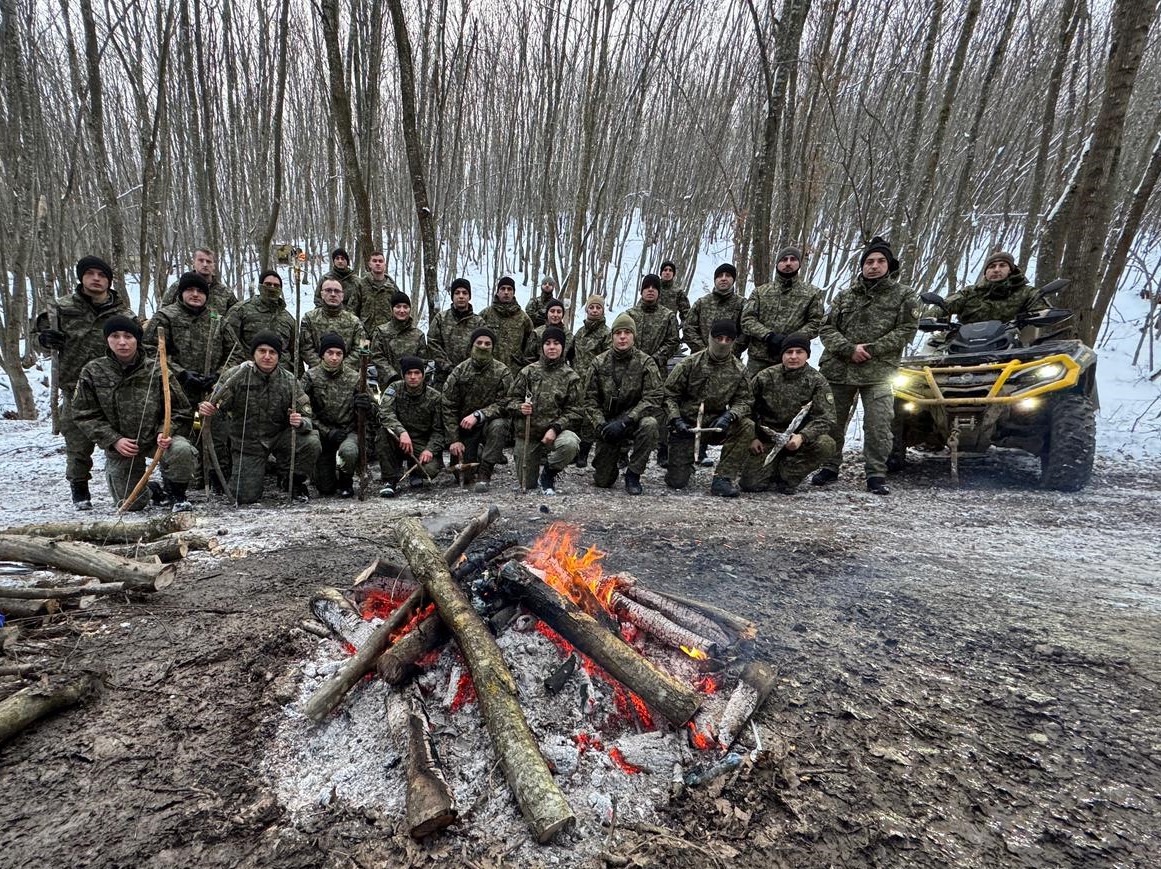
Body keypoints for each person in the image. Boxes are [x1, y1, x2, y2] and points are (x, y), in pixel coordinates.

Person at [814, 237, 920, 495]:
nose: (874, 266)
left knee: (879, 424)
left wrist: (871, 349)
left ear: (889, 265)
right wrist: (849, 349)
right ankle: (829, 466)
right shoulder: (844, 296)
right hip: (840, 369)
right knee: (832, 422)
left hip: (879, 371)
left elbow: (907, 329)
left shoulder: (904, 295)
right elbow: (826, 328)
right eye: (869, 261)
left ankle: (875, 473)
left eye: (880, 261)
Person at [35, 255, 133, 510]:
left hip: (114, 389)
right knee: (78, 444)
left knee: (119, 441)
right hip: (75, 387)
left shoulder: (122, 311)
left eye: (102, 275)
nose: (96, 279)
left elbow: (136, 344)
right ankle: (80, 489)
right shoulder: (61, 308)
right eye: (90, 274)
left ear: (109, 280)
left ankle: (129, 485)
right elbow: (38, 335)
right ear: (81, 277)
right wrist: (46, 339)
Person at [72, 316, 196, 512]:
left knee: (181, 450)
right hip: (122, 445)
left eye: (128, 336)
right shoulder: (92, 371)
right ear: (107, 340)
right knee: (132, 504)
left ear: (137, 340)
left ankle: (177, 495)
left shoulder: (158, 369)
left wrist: (165, 431)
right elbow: (83, 413)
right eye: (115, 336)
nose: (122, 342)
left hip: (156, 440)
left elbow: (181, 409)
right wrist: (114, 440)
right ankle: (153, 490)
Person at [198, 332, 321, 504]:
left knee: (311, 441)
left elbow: (307, 415)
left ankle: (294, 480)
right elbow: (216, 403)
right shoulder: (236, 375)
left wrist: (300, 422)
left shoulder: (289, 381)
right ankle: (262, 469)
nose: (267, 356)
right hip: (248, 444)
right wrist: (208, 408)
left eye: (272, 352)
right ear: (254, 353)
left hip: (278, 439)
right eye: (262, 351)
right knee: (244, 497)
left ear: (279, 356)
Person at [144, 271, 231, 492]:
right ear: (181, 292)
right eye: (190, 290)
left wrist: (218, 375)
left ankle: (216, 478)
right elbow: (150, 351)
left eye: (200, 291)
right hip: (176, 390)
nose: (195, 295)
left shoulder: (216, 320)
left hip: (210, 390)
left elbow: (235, 353)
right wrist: (180, 373)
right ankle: (181, 479)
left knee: (213, 432)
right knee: (183, 434)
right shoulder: (166, 317)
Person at [738, 334, 836, 494]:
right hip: (767, 440)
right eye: (789, 352)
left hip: (797, 442)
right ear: (782, 354)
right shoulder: (765, 377)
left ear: (807, 355)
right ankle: (770, 468)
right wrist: (752, 437)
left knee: (826, 443)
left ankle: (788, 475)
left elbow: (826, 418)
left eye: (799, 352)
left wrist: (802, 436)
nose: (794, 357)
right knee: (750, 485)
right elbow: (745, 407)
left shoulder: (817, 381)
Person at [664, 320, 752, 497]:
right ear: (710, 338)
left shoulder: (738, 370)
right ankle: (684, 462)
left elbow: (745, 400)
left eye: (728, 339)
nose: (723, 343)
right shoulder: (689, 364)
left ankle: (723, 478)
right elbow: (669, 395)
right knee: (677, 482)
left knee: (747, 426)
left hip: (716, 425)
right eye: (719, 338)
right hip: (686, 426)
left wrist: (730, 415)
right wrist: (676, 419)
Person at [583, 313, 663, 495]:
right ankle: (612, 458)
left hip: (632, 422)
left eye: (627, 332)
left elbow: (654, 397)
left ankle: (633, 474)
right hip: (608, 424)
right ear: (612, 336)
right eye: (618, 333)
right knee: (603, 481)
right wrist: (601, 424)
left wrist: (627, 420)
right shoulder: (598, 362)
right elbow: (589, 400)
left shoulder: (646, 362)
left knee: (650, 424)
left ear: (633, 336)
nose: (622, 337)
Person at [509, 327, 584, 495]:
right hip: (528, 434)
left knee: (570, 444)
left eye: (556, 343)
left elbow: (576, 411)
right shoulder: (528, 372)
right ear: (542, 347)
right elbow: (508, 401)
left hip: (554, 434)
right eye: (548, 343)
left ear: (563, 347)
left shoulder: (571, 377)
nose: (552, 347)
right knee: (527, 485)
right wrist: (519, 408)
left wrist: (555, 428)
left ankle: (549, 474)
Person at [441, 327, 513, 493]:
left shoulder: (502, 372)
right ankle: (477, 455)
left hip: (488, 424)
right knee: (464, 475)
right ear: (472, 345)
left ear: (493, 347)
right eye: (479, 343)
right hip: (465, 428)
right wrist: (454, 439)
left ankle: (485, 472)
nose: (483, 346)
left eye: (487, 343)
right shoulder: (459, 372)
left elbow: (506, 403)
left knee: (499, 425)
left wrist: (479, 415)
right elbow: (448, 406)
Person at [741, 245, 825, 378]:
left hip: (793, 358)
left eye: (793, 259)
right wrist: (769, 336)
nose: (788, 263)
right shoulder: (760, 292)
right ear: (778, 263)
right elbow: (747, 320)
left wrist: (791, 340)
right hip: (759, 358)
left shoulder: (812, 293)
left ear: (799, 263)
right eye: (784, 259)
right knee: (750, 396)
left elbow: (816, 323)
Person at [301, 333, 366, 498]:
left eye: (339, 354)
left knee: (349, 451)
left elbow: (374, 409)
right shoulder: (311, 377)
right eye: (330, 353)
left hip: (347, 431)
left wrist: (365, 405)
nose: (334, 358)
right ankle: (320, 475)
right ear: (322, 354)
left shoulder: (355, 377)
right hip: (322, 434)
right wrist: (326, 431)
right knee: (325, 488)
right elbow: (303, 410)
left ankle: (346, 480)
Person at [627, 273, 680, 467]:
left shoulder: (667, 315)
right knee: (629, 406)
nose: (650, 290)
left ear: (658, 292)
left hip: (658, 370)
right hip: (632, 370)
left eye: (654, 287)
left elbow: (674, 340)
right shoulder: (630, 314)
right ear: (641, 291)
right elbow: (622, 339)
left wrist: (656, 358)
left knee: (660, 409)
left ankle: (662, 449)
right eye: (647, 287)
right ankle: (624, 449)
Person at [378, 356, 445, 498]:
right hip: (398, 439)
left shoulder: (434, 397)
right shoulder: (394, 389)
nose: (413, 377)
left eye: (417, 373)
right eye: (409, 373)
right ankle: (390, 480)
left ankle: (414, 472)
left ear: (423, 374)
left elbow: (439, 430)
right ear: (403, 375)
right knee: (383, 433)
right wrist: (401, 432)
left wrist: (430, 450)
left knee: (430, 470)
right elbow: (385, 413)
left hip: (421, 442)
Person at [221, 269, 297, 373]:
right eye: (268, 284)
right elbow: (229, 347)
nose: (272, 288)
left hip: (281, 378)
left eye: (276, 286)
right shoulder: (240, 311)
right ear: (260, 286)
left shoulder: (288, 319)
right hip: (248, 376)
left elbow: (295, 353)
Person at [567, 294, 612, 468]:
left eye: (598, 308)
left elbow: (608, 360)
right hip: (577, 380)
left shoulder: (606, 334)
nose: (594, 310)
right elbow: (572, 353)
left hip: (595, 382)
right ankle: (575, 450)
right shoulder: (580, 331)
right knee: (576, 415)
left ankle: (584, 453)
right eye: (591, 307)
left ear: (602, 310)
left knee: (589, 418)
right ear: (586, 310)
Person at [941, 251, 1044, 324]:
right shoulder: (969, 292)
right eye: (992, 266)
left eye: (1002, 265)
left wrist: (1043, 315)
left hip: (1011, 345)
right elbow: (945, 305)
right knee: (931, 348)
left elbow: (1041, 310)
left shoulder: (1027, 292)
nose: (996, 270)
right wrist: (931, 316)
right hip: (962, 342)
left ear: (1011, 270)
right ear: (986, 272)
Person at [428, 277, 485, 386]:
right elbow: (433, 344)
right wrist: (448, 367)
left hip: (470, 379)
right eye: (457, 293)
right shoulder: (441, 318)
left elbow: (482, 348)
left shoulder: (479, 322)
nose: (461, 296)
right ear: (452, 296)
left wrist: (467, 369)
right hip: (443, 379)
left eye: (465, 293)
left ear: (469, 296)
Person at [301, 277, 366, 371]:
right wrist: (322, 368)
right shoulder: (309, 318)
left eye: (337, 291)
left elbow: (361, 348)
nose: (333, 294)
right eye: (328, 290)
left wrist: (342, 368)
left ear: (342, 296)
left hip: (348, 376)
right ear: (322, 294)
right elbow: (305, 348)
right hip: (317, 375)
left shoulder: (354, 321)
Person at [684, 263, 748, 357]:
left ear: (733, 279)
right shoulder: (702, 303)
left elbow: (746, 332)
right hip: (700, 358)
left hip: (730, 361)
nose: (723, 278)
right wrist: (703, 350)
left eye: (728, 275)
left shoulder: (742, 304)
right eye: (720, 276)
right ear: (715, 280)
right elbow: (688, 328)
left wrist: (728, 351)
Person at [370, 290, 428, 385]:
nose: (402, 311)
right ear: (392, 309)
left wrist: (411, 377)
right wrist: (392, 376)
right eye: (398, 307)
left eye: (405, 307)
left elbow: (423, 361)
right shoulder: (381, 331)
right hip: (388, 383)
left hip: (413, 384)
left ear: (410, 309)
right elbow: (377, 357)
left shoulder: (418, 335)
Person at [481, 276, 533, 375]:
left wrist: (523, 364)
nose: (506, 292)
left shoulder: (523, 318)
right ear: (497, 292)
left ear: (513, 293)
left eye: (509, 289)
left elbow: (531, 346)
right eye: (503, 289)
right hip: (489, 371)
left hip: (514, 372)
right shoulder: (485, 315)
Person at [159, 248, 236, 314]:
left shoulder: (225, 292)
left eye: (209, 261)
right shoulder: (180, 286)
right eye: (201, 260)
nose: (205, 264)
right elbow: (164, 311)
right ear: (193, 263)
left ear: (214, 265)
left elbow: (236, 317)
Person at [348, 251, 401, 334]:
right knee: (362, 348)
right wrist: (357, 331)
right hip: (365, 336)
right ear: (369, 264)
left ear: (384, 264)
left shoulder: (392, 287)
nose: (377, 263)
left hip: (387, 336)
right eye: (374, 261)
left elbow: (399, 311)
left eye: (380, 261)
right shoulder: (361, 285)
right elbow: (352, 311)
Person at [523, 298, 572, 365]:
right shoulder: (537, 333)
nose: (555, 315)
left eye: (559, 312)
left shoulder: (568, 335)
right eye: (552, 311)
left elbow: (571, 358)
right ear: (547, 313)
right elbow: (528, 358)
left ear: (562, 314)